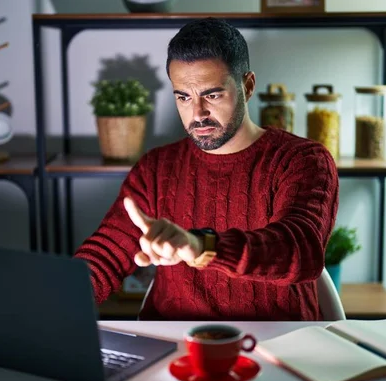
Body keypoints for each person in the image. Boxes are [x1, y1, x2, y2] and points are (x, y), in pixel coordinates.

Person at [74, 17, 339, 321]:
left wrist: (202, 246)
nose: (197, 113)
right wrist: (58, 302)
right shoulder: (156, 168)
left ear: (247, 86)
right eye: (183, 97)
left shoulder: (302, 160)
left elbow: (300, 249)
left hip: (276, 344)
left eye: (212, 95)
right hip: (175, 346)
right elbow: (105, 254)